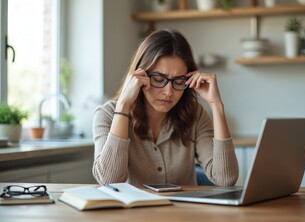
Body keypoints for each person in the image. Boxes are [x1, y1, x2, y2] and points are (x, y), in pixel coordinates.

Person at [92, 29, 238, 186]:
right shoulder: (106, 114)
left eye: (179, 81)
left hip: (183, 211)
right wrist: (123, 105)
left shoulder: (194, 115)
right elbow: (108, 180)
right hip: (133, 210)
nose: (169, 92)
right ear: (139, 76)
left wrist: (216, 104)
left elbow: (226, 179)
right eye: (159, 79)